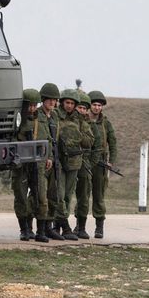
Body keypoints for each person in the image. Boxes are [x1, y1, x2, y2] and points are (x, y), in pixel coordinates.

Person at [55, 89, 93, 241]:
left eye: (72, 103)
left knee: (67, 196)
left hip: (74, 162)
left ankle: (58, 226)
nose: (69, 106)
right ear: (62, 102)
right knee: (59, 194)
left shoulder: (81, 120)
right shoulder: (56, 116)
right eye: (67, 103)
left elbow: (89, 141)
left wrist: (75, 136)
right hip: (58, 160)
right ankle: (64, 226)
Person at [11, 89, 42, 241]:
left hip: (34, 164)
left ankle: (30, 227)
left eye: (35, 105)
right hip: (20, 164)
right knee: (21, 196)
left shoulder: (39, 121)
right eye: (29, 105)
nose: (32, 108)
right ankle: (23, 229)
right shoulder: (17, 122)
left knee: (35, 195)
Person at [88, 90, 117, 239]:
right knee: (83, 195)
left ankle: (99, 226)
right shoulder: (83, 120)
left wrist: (111, 160)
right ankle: (80, 226)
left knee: (98, 196)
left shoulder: (105, 123)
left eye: (99, 105)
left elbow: (113, 142)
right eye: (94, 104)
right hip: (85, 162)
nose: (97, 108)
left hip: (100, 163)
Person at [40, 82, 64, 241]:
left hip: (55, 161)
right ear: (43, 100)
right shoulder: (37, 116)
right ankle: (39, 230)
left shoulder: (55, 116)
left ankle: (49, 227)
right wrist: (47, 156)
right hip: (42, 160)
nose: (52, 103)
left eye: (55, 100)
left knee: (54, 195)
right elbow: (43, 139)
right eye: (49, 100)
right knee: (40, 196)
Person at [74, 92, 93, 238]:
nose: (82, 110)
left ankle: (81, 226)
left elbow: (92, 143)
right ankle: (56, 225)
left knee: (84, 197)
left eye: (84, 108)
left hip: (84, 162)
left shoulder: (88, 124)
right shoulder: (65, 120)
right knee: (61, 195)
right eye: (79, 107)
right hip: (66, 162)